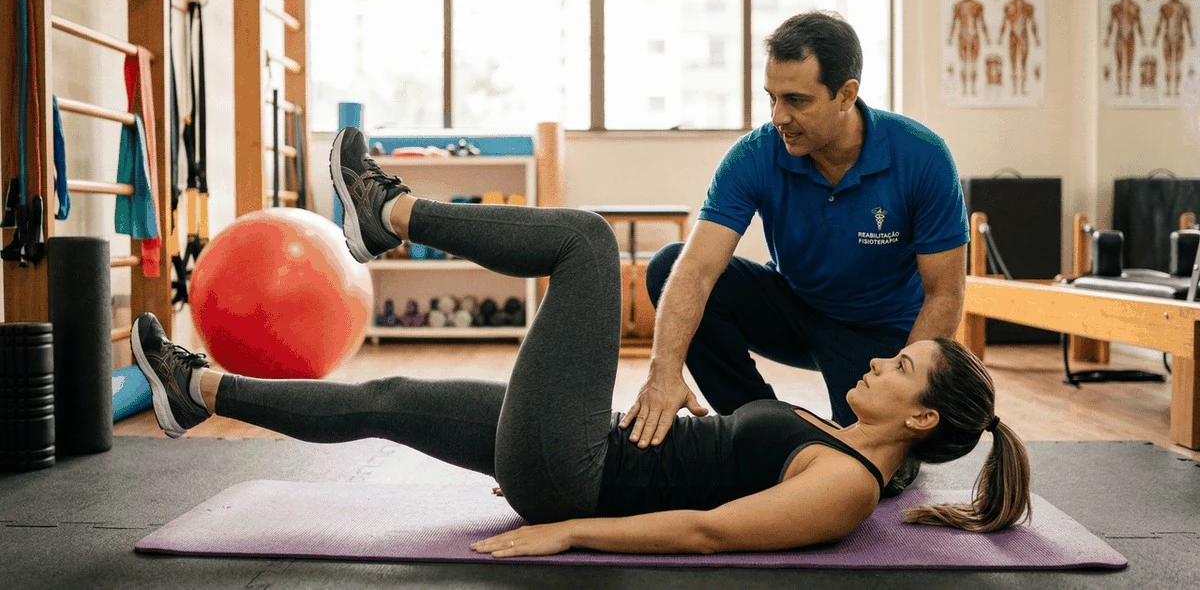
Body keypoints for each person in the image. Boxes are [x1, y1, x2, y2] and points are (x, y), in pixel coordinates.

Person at [131, 127, 1031, 558]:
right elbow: (710, 474)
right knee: (392, 397)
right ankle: (199, 391)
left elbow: (708, 531)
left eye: (900, 365)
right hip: (574, 451)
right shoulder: (836, 447)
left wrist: (566, 532)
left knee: (588, 243)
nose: (880, 358)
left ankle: (391, 213)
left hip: (578, 471)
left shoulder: (843, 487)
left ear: (917, 418)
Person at [626, 11, 969, 497]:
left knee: (871, 475)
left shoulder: (922, 156)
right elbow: (698, 270)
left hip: (878, 335)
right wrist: (663, 375)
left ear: (846, 94)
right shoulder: (756, 154)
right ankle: (755, 425)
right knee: (669, 265)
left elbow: (944, 295)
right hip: (795, 306)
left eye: (796, 101)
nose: (778, 117)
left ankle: (826, 442)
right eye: (772, 98)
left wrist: (899, 405)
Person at [997, 0, 1040, 96]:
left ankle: (1023, 88)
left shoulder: (1028, 6)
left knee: (1023, 62)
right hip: (1012, 35)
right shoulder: (1008, 6)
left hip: (1024, 34)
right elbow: (1004, 22)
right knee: (1013, 62)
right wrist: (1000, 37)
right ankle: (1014, 88)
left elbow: (1033, 23)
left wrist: (1036, 38)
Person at [948, 0, 989, 96]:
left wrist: (987, 36)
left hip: (974, 35)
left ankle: (973, 88)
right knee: (963, 63)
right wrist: (950, 37)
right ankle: (964, 89)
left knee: (974, 63)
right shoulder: (958, 6)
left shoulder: (977, 5)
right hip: (962, 35)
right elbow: (954, 22)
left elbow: (982, 22)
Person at [1152, 0, 1194, 97]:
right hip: (1167, 37)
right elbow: (1159, 23)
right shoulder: (1165, 6)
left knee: (1178, 64)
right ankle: (1168, 89)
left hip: (1179, 37)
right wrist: (1155, 38)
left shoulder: (1184, 6)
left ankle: (1176, 90)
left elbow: (1188, 23)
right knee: (1168, 65)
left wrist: (1191, 38)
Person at [1105, 0, 1145, 96]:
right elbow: (1111, 23)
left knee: (1129, 64)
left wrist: (1142, 38)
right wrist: (1107, 38)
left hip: (1130, 37)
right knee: (1119, 64)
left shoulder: (1135, 7)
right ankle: (1119, 89)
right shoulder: (1116, 7)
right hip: (1119, 37)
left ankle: (1127, 89)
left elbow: (1139, 24)